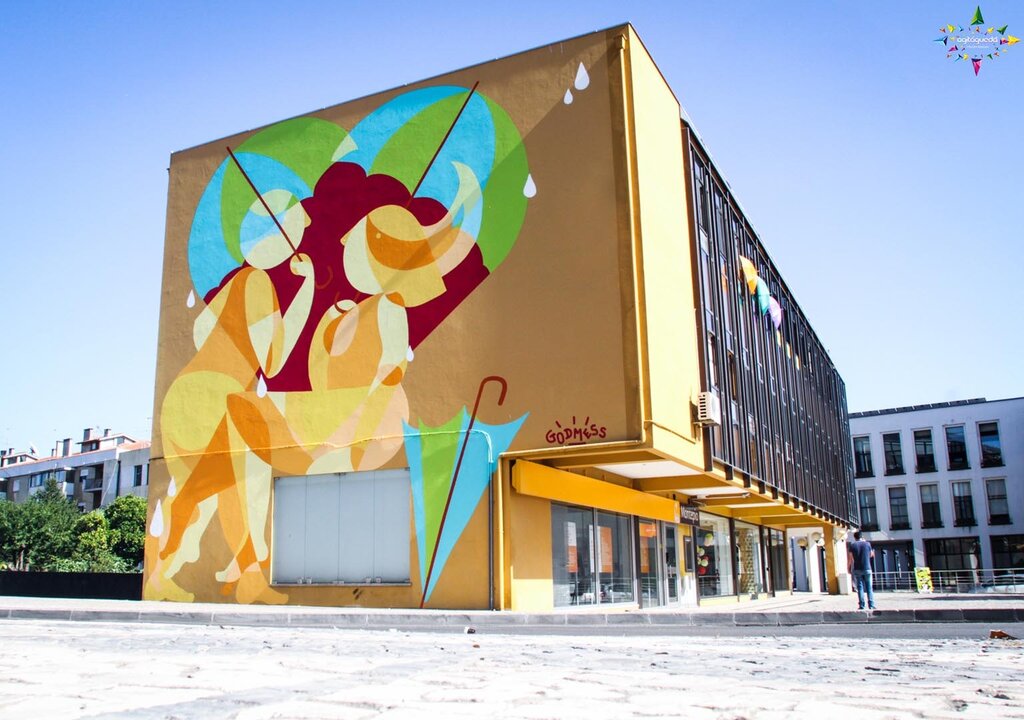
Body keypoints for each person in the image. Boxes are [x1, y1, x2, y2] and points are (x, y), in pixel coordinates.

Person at [848, 530, 876, 610]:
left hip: (857, 568)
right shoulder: (867, 544)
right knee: (869, 587)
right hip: (867, 568)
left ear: (855, 537)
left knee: (860, 587)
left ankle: (862, 605)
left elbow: (850, 559)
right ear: (862, 537)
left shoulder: (852, 546)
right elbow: (871, 555)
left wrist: (848, 568)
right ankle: (871, 605)